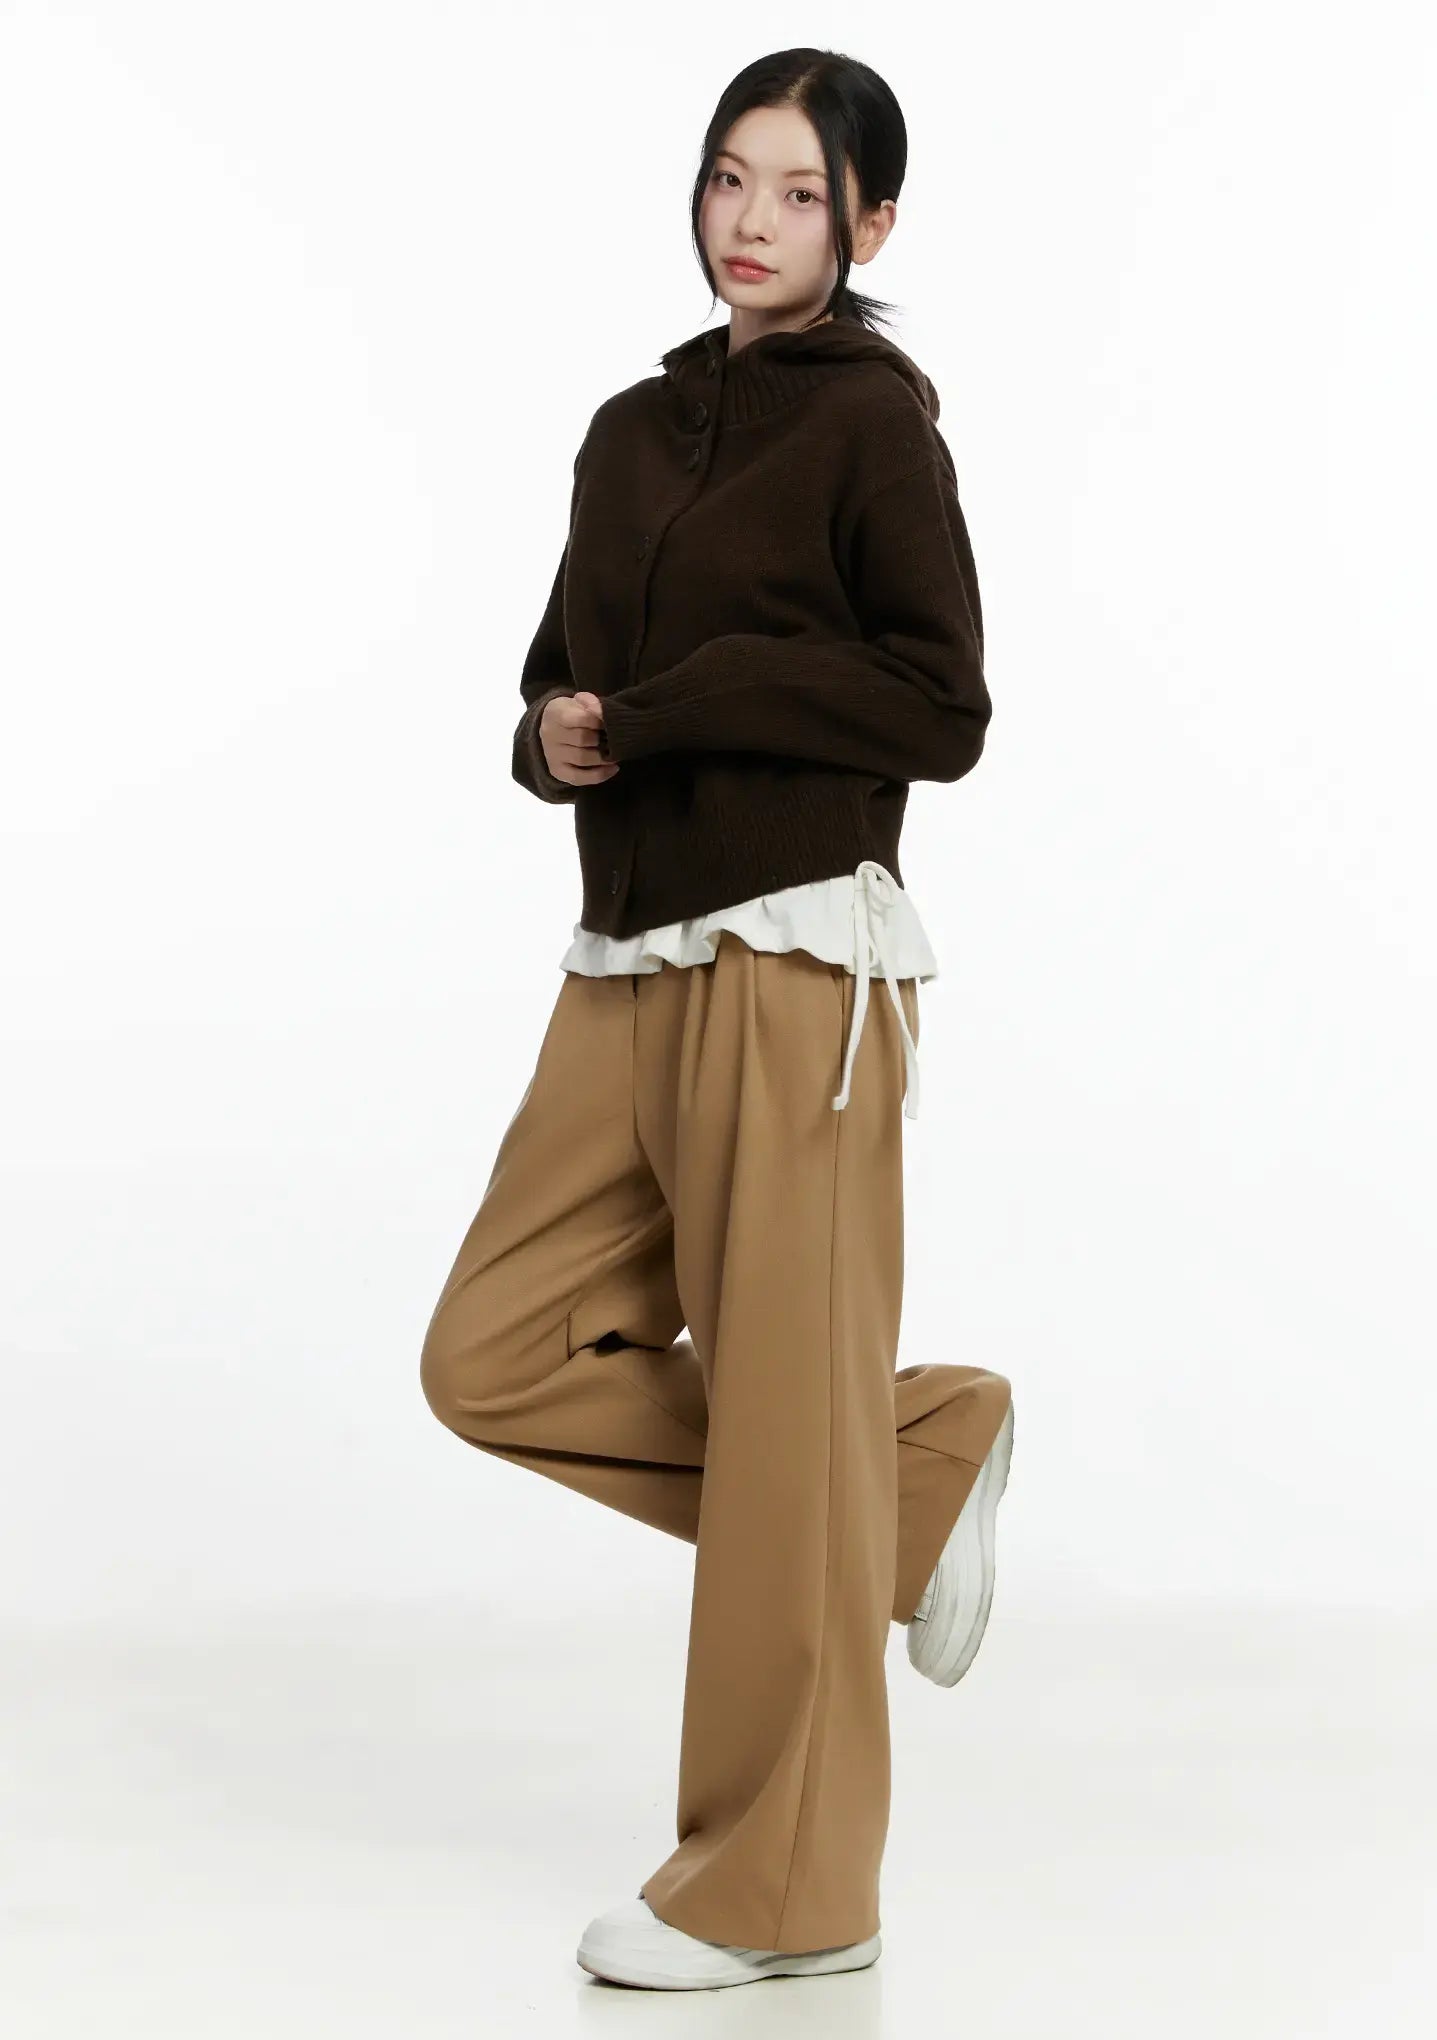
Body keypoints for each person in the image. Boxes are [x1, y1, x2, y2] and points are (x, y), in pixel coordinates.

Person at [419, 44, 1016, 1994]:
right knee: (491, 1353)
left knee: (778, 1425)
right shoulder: (631, 430)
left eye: (799, 192)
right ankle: (908, 1457)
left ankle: (788, 1894)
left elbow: (940, 706)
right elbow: (561, 677)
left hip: (796, 964)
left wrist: (683, 709)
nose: (751, 222)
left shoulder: (874, 432)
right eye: (727, 179)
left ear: (870, 226)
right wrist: (554, 738)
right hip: (629, 961)